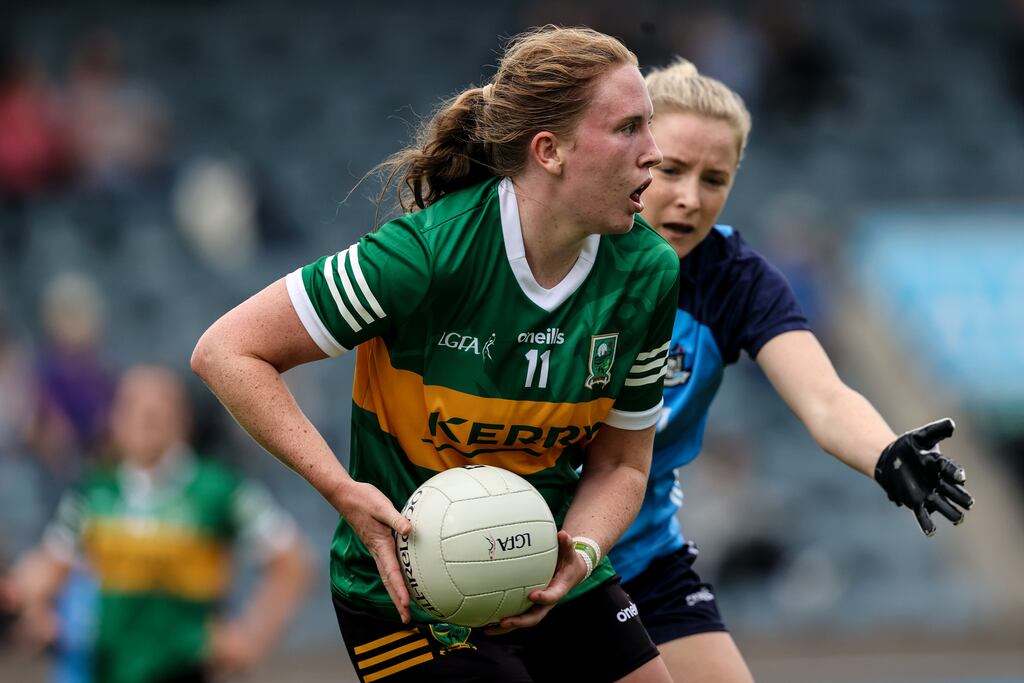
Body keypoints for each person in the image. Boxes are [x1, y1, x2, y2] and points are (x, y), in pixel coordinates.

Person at [191, 25, 678, 683]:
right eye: (628, 129)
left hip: (547, 566)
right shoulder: (423, 256)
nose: (655, 152)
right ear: (550, 150)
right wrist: (342, 489)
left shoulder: (646, 270)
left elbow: (622, 461)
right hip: (408, 588)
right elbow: (226, 350)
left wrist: (583, 552)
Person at [608, 59, 975, 683]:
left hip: (643, 559)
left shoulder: (734, 276)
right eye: (670, 169)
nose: (691, 197)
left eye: (714, 178)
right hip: (524, 554)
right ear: (633, 158)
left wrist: (885, 452)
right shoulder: (562, 258)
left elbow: (825, 397)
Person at [5, 364, 313, 683]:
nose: (144, 420)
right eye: (133, 409)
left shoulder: (219, 489)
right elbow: (52, 563)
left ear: (181, 421)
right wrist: (28, 597)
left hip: (186, 670)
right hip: (109, 669)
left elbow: (292, 561)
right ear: (115, 419)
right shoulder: (94, 492)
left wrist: (251, 635)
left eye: (156, 412)